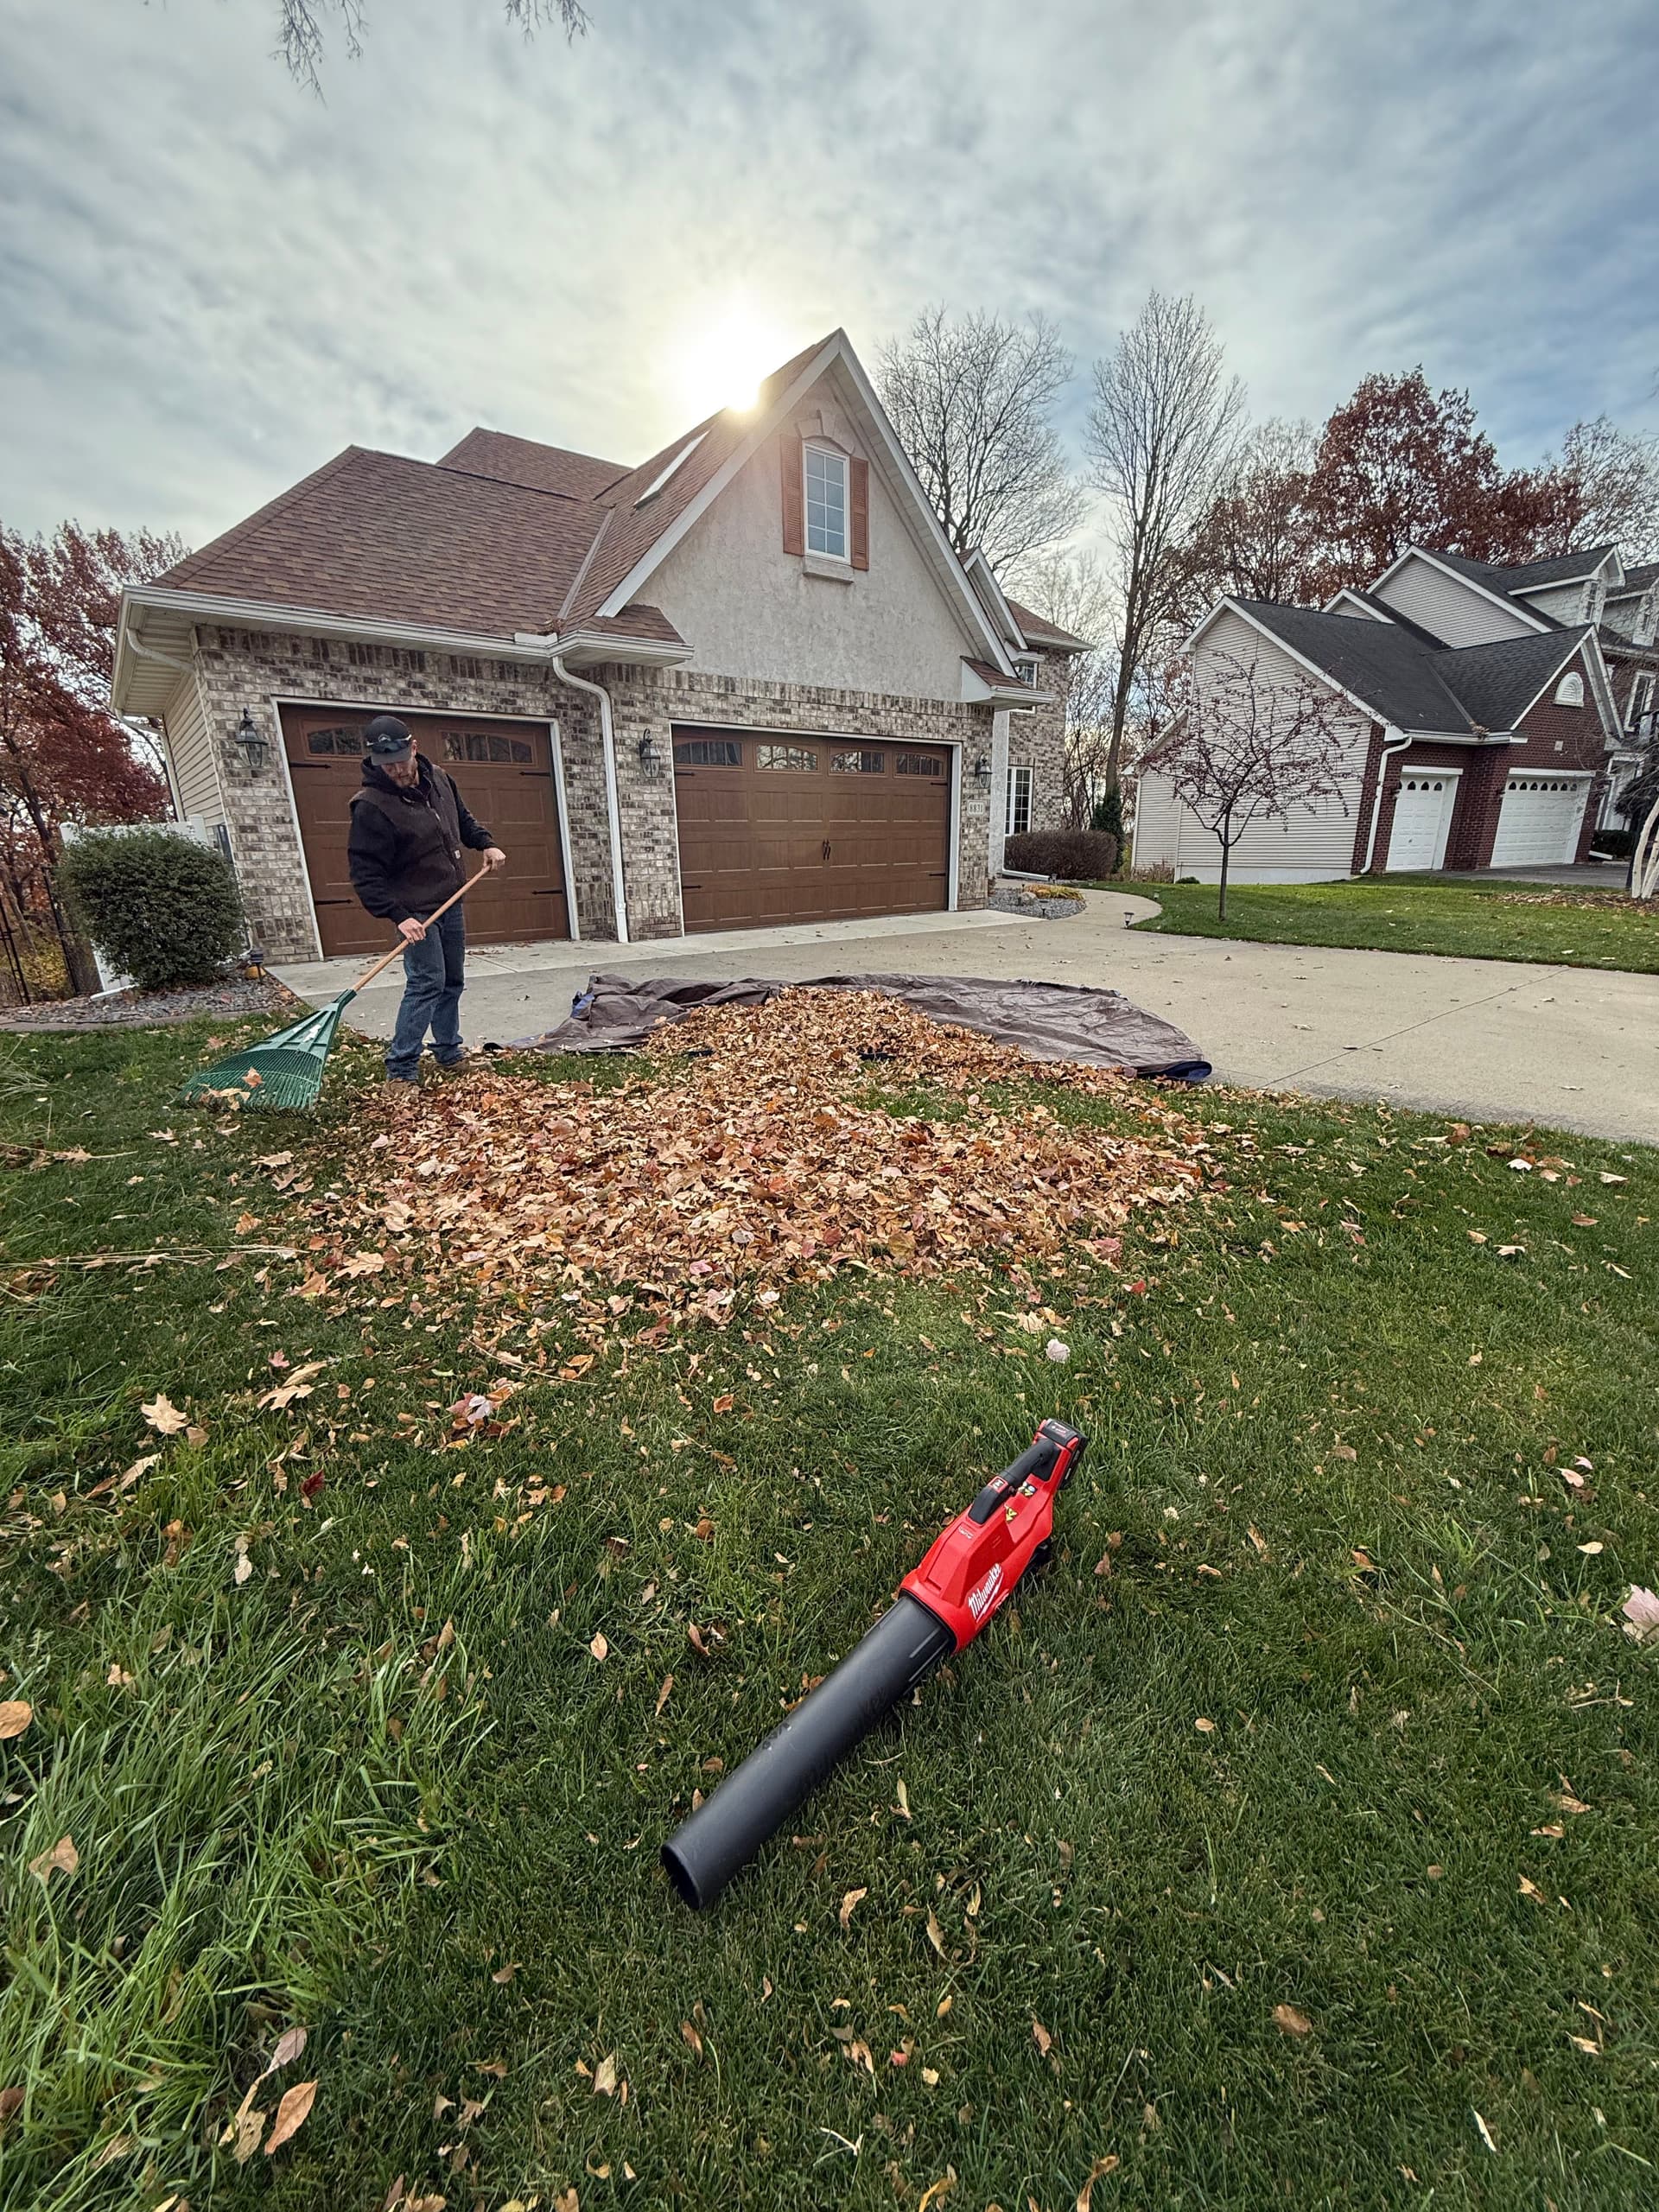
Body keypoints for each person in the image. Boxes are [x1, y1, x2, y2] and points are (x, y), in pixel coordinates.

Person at [346, 715, 506, 1084]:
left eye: (400, 761)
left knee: (452, 981)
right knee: (426, 983)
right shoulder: (371, 805)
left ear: (414, 748)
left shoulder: (440, 779)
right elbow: (365, 873)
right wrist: (397, 915)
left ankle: (448, 1053)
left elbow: (462, 820)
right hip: (415, 911)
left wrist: (486, 843)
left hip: (450, 901)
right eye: (387, 765)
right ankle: (401, 1070)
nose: (396, 771)